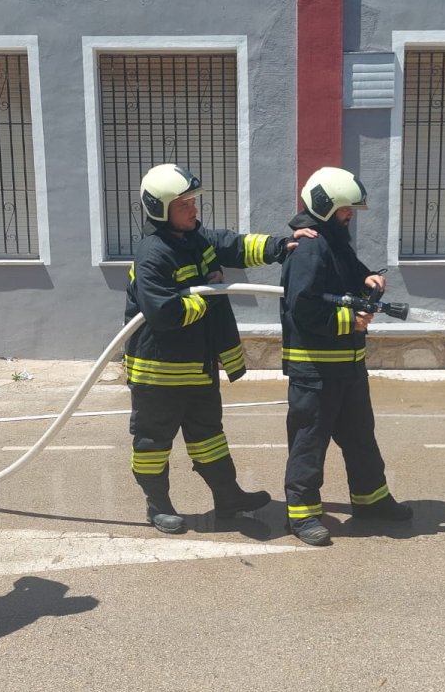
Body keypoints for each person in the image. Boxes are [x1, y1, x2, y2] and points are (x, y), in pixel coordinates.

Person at [125, 163, 315, 534]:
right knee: (153, 442)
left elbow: (235, 244)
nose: (194, 210)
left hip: (196, 366)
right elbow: (164, 312)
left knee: (209, 437)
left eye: (193, 203)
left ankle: (228, 498)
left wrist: (282, 246)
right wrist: (210, 294)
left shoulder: (195, 239)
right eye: (184, 205)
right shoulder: (153, 253)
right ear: (161, 209)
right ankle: (157, 504)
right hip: (158, 372)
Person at [280, 166, 413, 546]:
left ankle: (371, 500)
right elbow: (301, 309)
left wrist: (368, 277)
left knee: (360, 438)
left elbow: (346, 277)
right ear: (325, 205)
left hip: (348, 366)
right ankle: (302, 515)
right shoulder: (308, 247)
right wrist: (349, 320)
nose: (350, 215)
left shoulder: (335, 242)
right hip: (315, 370)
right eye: (345, 209)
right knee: (309, 441)